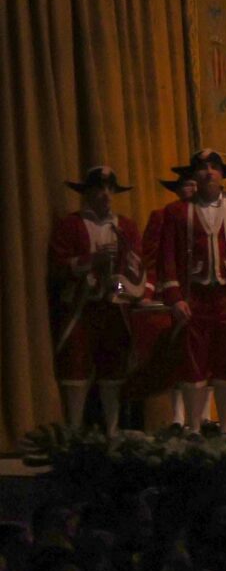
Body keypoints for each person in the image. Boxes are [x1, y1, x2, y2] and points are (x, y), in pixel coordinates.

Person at [147, 148, 226, 430]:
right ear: (194, 175)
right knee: (192, 364)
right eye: (202, 167)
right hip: (194, 299)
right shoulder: (177, 212)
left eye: (214, 167)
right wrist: (174, 298)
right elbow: (168, 259)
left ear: (223, 174)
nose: (209, 172)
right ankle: (194, 429)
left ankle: (225, 428)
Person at [49, 165, 142, 431]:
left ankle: (112, 431)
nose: (105, 194)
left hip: (114, 309)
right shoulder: (70, 224)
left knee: (113, 371)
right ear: (87, 193)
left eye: (110, 189)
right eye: (99, 188)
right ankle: (73, 432)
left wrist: (121, 289)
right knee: (74, 367)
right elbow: (58, 267)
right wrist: (92, 261)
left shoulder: (125, 227)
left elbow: (135, 275)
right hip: (80, 308)